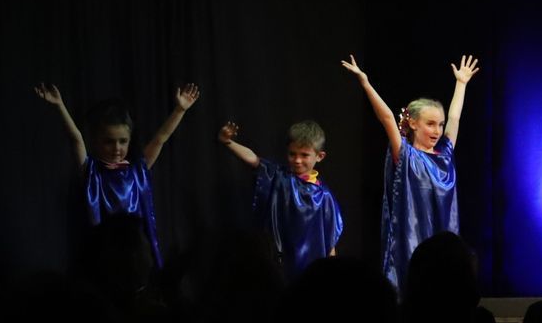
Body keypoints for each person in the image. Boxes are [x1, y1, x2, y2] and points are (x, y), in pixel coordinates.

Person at [341, 52, 478, 290]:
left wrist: (461, 84)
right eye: (430, 123)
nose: (437, 130)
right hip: (412, 241)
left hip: (442, 240)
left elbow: (455, 117)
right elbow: (386, 118)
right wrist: (365, 82)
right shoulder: (406, 155)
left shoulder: (445, 154)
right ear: (413, 123)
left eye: (440, 124)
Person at [33, 80, 199, 269]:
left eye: (123, 141)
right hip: (104, 258)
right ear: (96, 142)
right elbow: (75, 138)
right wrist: (59, 105)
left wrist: (180, 110)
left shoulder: (137, 171)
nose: (117, 148)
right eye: (109, 142)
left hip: (135, 256)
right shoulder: (92, 173)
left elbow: (160, 138)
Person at [217, 118, 344, 280]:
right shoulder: (279, 177)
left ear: (320, 156)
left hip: (312, 271)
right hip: (281, 265)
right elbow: (254, 160)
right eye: (292, 154)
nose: (297, 160)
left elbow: (330, 239)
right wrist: (227, 142)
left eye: (304, 155)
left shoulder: (324, 196)